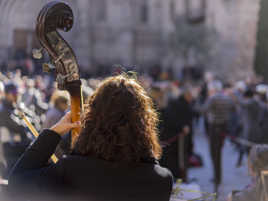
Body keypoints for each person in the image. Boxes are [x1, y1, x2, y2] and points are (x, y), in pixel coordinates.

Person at [8, 74, 173, 201]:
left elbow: (16, 185)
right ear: (145, 124)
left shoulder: (72, 171)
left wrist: (54, 132)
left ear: (93, 117)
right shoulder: (161, 180)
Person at [204, 80, 235, 192]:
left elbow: (204, 109)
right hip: (223, 127)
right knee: (219, 152)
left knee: (213, 152)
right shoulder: (227, 98)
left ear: (213, 89)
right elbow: (233, 108)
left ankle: (217, 177)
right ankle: (218, 176)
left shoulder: (212, 98)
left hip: (214, 127)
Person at [160, 87, 195, 182]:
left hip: (179, 137)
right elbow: (172, 119)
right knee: (177, 159)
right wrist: (182, 127)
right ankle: (179, 177)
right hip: (177, 138)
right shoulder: (177, 104)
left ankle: (181, 176)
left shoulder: (181, 104)